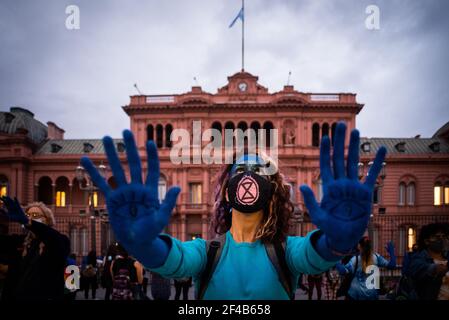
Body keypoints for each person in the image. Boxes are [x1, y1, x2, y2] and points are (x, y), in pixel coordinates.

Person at [80, 122, 386, 299]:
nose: (250, 176)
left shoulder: (287, 252)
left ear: (273, 191)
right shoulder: (206, 252)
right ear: (227, 191)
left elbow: (314, 255)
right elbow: (175, 260)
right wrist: (143, 245)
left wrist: (338, 242)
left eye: (260, 171)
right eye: (242, 170)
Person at [0, 197, 70, 300]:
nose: (31, 218)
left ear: (47, 219)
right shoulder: (21, 242)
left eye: (35, 215)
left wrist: (28, 222)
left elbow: (71, 289)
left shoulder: (59, 240)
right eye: (28, 215)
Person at [408, 223, 449, 300]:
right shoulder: (419, 259)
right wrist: (437, 268)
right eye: (437, 237)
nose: (441, 239)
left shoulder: (447, 257)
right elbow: (422, 270)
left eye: (443, 236)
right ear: (427, 241)